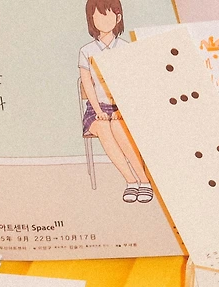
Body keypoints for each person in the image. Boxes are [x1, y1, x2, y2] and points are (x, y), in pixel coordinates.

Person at [77, 0, 153, 204]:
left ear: (118, 17)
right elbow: (88, 85)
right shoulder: (86, 51)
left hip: (123, 106)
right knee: (104, 126)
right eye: (97, 15)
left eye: (108, 14)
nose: (102, 19)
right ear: (91, 19)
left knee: (119, 126)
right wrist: (97, 110)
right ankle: (130, 181)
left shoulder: (125, 48)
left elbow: (132, 84)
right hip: (96, 109)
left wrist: (124, 108)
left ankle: (144, 181)